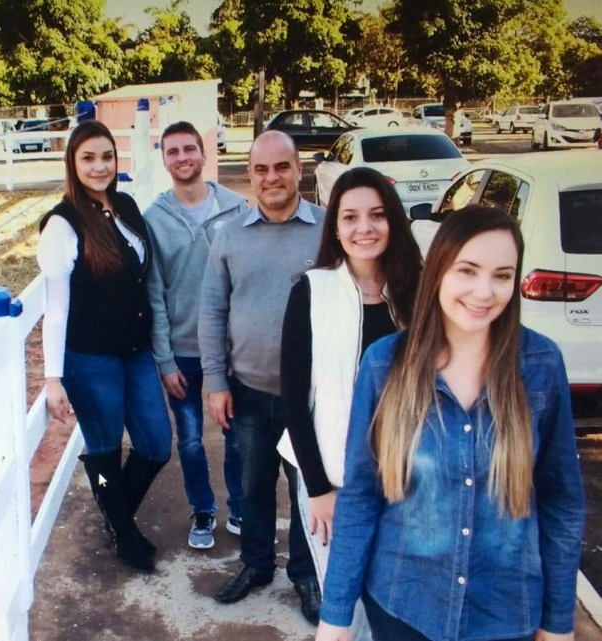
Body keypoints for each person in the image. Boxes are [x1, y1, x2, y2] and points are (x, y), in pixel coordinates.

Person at [317, 206, 585, 641]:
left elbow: (562, 502)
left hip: (504, 614)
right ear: (439, 270)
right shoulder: (384, 364)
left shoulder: (540, 365)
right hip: (403, 606)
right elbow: (361, 496)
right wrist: (336, 616)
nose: (484, 291)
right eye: (468, 270)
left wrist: (558, 623)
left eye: (501, 275)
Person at [278, 167, 423, 637]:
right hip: (334, 482)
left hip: (405, 480)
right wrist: (318, 488)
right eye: (351, 217)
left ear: (393, 222)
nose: (364, 228)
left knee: (395, 603)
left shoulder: (418, 293)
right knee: (349, 610)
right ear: (335, 227)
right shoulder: (312, 291)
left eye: (377, 215)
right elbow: (295, 402)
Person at [198, 130, 323, 623]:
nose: (272, 178)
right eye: (261, 169)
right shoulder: (228, 234)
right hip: (248, 391)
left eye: (282, 167)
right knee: (251, 486)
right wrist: (216, 381)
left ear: (298, 170)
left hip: (312, 398)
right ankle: (255, 565)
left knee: (307, 490)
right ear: (249, 174)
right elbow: (211, 309)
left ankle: (306, 577)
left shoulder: (327, 230)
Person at [38, 120, 171, 573]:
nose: (100, 167)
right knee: (104, 449)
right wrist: (52, 377)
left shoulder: (128, 206)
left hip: (135, 353)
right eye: (88, 158)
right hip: (90, 358)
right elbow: (56, 309)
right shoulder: (62, 224)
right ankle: (124, 531)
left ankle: (116, 512)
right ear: (73, 164)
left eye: (106, 157)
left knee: (156, 444)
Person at [143, 121, 249, 550]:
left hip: (228, 349)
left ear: (204, 154)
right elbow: (153, 294)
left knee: (236, 434)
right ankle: (202, 510)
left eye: (190, 149)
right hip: (182, 349)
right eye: (173, 151)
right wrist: (165, 360)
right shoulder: (153, 219)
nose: (183, 158)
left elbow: (246, 282)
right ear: (164, 159)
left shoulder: (238, 209)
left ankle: (240, 507)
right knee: (188, 437)